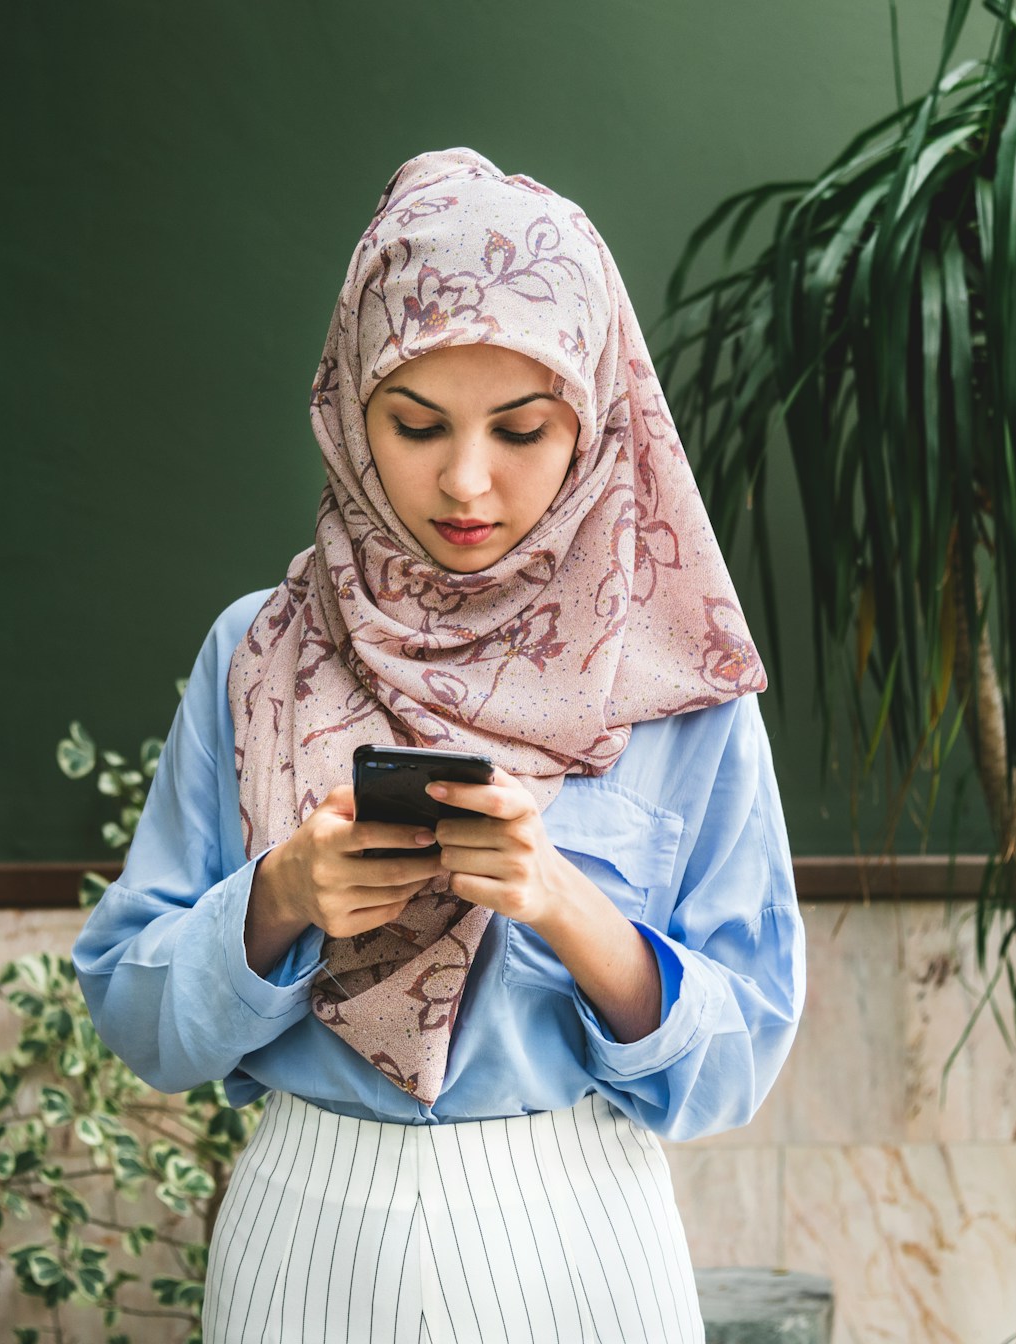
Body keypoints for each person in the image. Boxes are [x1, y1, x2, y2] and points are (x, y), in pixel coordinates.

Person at [72, 147, 806, 1344]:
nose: (468, 482)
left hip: (580, 1237)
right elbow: (139, 1017)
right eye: (416, 425)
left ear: (596, 421)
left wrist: (565, 905)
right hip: (304, 1235)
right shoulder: (257, 651)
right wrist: (283, 896)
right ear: (350, 408)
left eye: (522, 429)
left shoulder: (680, 683)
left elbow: (735, 1063)